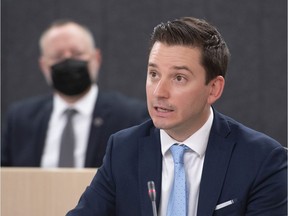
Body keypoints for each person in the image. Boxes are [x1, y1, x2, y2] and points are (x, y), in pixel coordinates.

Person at [66, 17, 287, 215]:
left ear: (213, 89)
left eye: (179, 78)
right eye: (153, 74)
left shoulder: (262, 160)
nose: (159, 92)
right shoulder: (123, 150)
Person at [1, 20, 149, 168]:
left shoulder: (130, 117)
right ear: (44, 65)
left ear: (96, 58)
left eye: (77, 54)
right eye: (58, 56)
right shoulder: (20, 119)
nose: (68, 61)